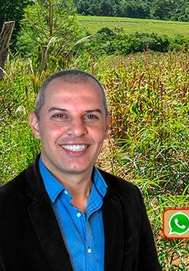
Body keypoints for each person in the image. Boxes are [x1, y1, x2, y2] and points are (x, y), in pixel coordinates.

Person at [0, 69, 161, 271]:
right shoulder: (5, 209)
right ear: (36, 125)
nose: (77, 130)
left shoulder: (129, 198)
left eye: (90, 116)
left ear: (106, 125)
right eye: (60, 115)